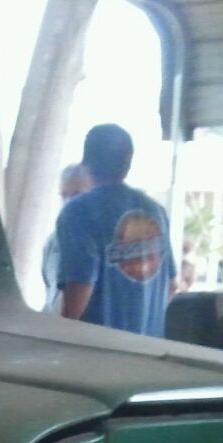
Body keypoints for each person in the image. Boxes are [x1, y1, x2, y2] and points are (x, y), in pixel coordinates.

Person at [57, 124, 176, 337]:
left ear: (86, 163)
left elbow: (79, 292)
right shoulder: (155, 211)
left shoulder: (79, 211)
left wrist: (58, 338)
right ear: (129, 161)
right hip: (149, 352)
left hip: (99, 355)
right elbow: (172, 285)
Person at [40, 163, 92, 311]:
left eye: (77, 195)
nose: (68, 202)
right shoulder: (52, 243)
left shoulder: (104, 245)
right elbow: (50, 294)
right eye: (64, 195)